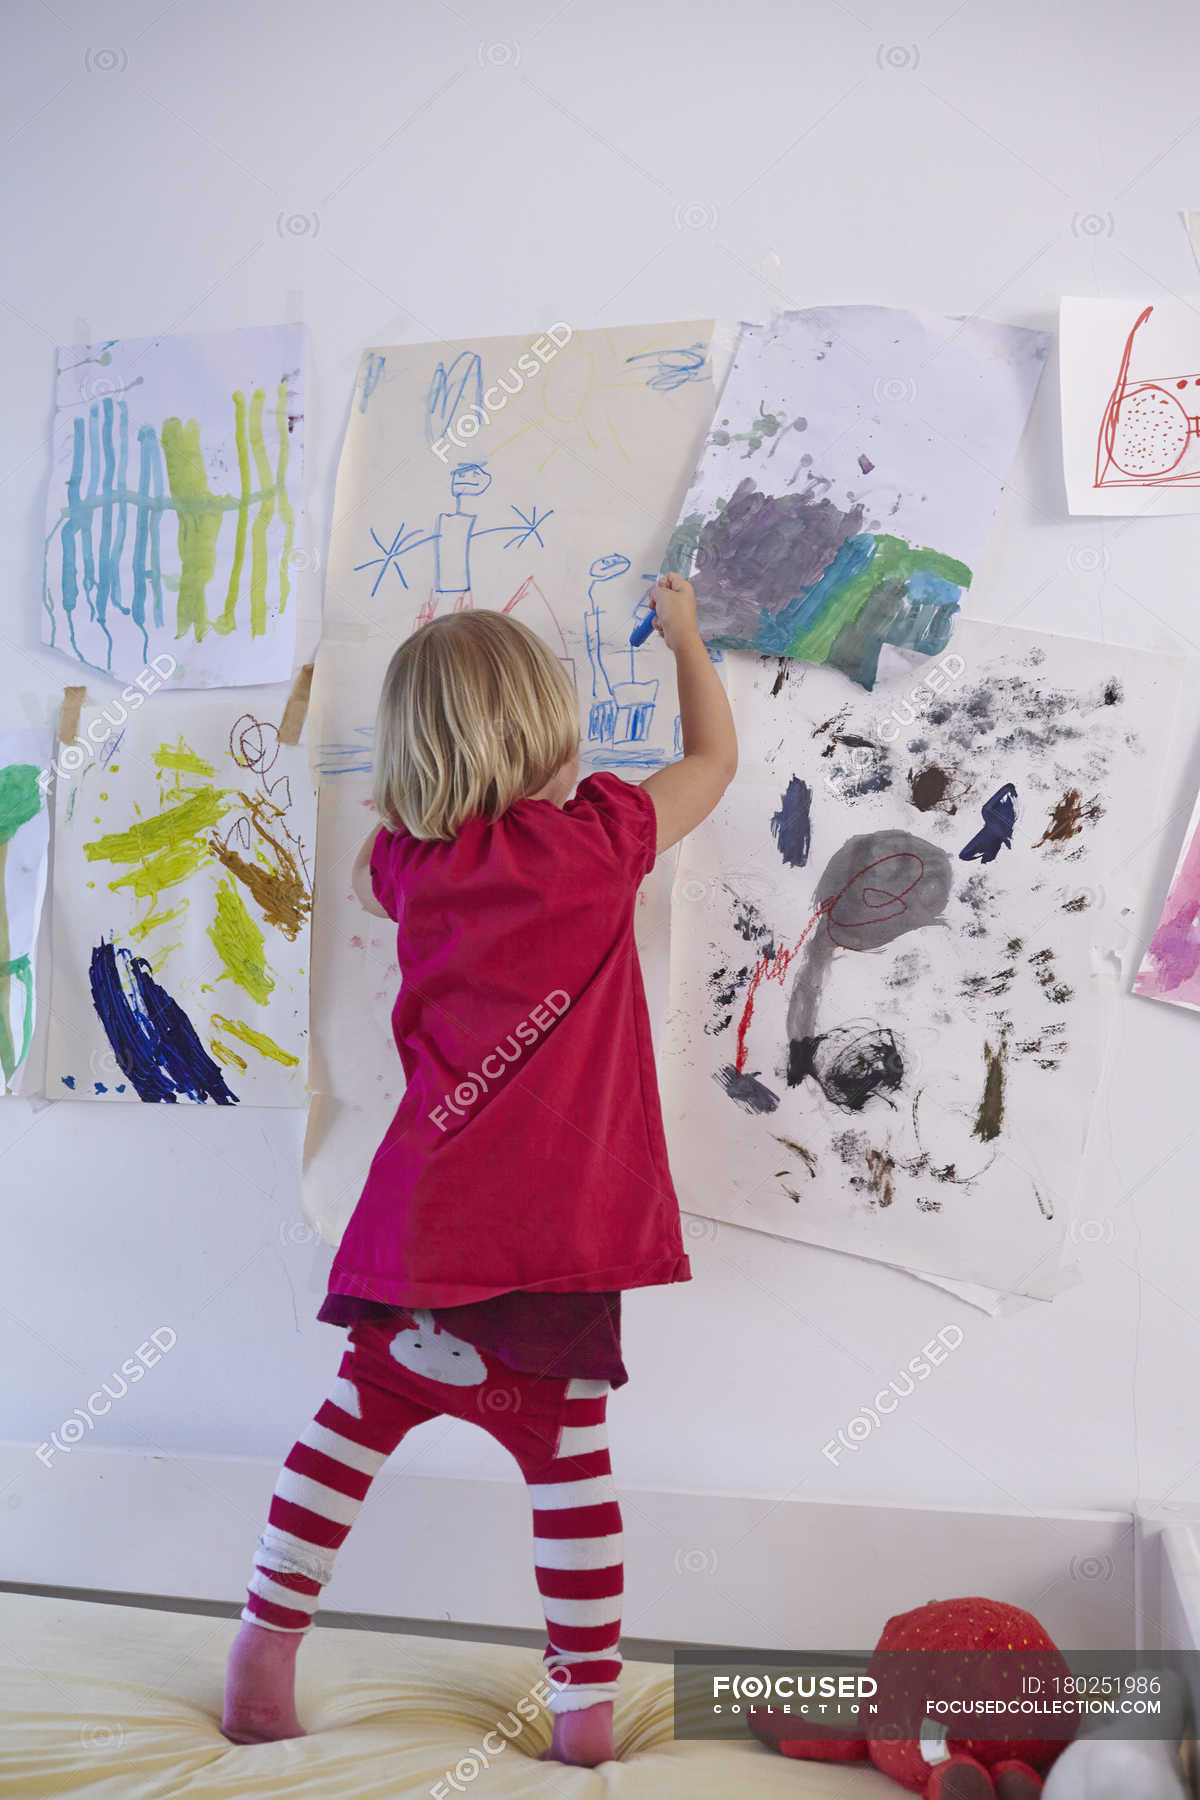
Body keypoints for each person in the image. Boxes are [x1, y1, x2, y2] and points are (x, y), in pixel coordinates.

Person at [222, 573, 737, 1766]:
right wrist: (688, 642)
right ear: (554, 737)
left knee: (343, 1435)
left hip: (423, 1240)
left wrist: (428, 796)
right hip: (553, 1248)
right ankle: (585, 1708)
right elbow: (711, 760)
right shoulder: (603, 840)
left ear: (411, 757)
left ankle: (264, 1635)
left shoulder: (410, 869)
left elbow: (367, 866)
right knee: (569, 1479)